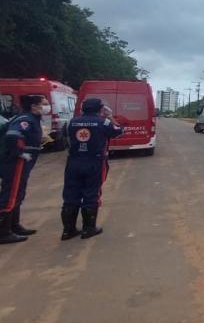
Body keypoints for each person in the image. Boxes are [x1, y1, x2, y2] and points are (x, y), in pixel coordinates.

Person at [61, 98, 123, 240]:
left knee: (70, 195)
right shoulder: (104, 122)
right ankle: (88, 229)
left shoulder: (71, 122)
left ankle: (68, 231)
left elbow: (64, 139)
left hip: (73, 162)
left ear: (83, 108)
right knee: (91, 194)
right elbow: (118, 131)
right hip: (94, 162)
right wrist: (110, 116)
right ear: (100, 109)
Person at [0, 94, 48, 244]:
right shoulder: (26, 119)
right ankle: (3, 232)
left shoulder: (30, 118)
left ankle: (14, 226)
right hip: (16, 162)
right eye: (44, 104)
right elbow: (12, 136)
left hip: (21, 162)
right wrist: (20, 153)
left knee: (18, 192)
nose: (47, 106)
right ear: (34, 106)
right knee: (11, 194)